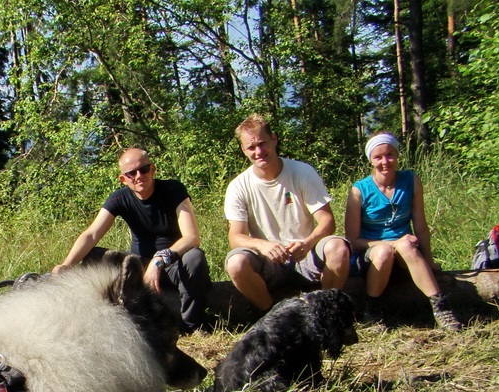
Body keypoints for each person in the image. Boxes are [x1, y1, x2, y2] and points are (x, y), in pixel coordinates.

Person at [52, 148, 212, 333]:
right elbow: (92, 234)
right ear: (123, 178)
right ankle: (100, 318)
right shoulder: (119, 198)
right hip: (138, 267)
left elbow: (192, 237)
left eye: (144, 169)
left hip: (174, 265)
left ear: (153, 169)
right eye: (131, 173)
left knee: (195, 258)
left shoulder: (173, 189)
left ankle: (191, 325)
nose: (139, 176)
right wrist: (67, 264)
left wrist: (158, 261)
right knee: (92, 256)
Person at [224, 114, 350, 312]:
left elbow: (327, 221)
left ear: (274, 139)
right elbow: (235, 237)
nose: (258, 152)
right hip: (269, 261)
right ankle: (272, 315)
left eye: (262, 143)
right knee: (236, 263)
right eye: (251, 147)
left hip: (305, 254)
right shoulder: (238, 186)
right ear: (243, 150)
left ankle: (328, 311)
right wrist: (262, 245)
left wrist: (307, 243)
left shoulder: (302, 172)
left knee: (338, 247)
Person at [344, 132, 461, 331]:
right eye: (378, 157)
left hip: (406, 255)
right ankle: (372, 310)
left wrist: (430, 261)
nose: (385, 161)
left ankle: (441, 307)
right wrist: (391, 244)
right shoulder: (359, 190)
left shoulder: (411, 180)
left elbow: (421, 226)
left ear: (397, 155)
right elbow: (353, 241)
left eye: (390, 154)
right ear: (370, 160)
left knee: (406, 245)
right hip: (372, 257)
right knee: (384, 252)